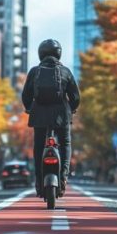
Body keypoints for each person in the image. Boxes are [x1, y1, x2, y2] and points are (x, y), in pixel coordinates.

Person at [22, 39, 80, 196]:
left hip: (39, 115)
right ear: (59, 53)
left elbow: (26, 95)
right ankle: (63, 177)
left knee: (39, 146)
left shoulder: (34, 71)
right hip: (62, 115)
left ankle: (38, 180)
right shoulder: (66, 71)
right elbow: (75, 96)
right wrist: (72, 109)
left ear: (40, 54)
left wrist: (29, 108)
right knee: (65, 143)